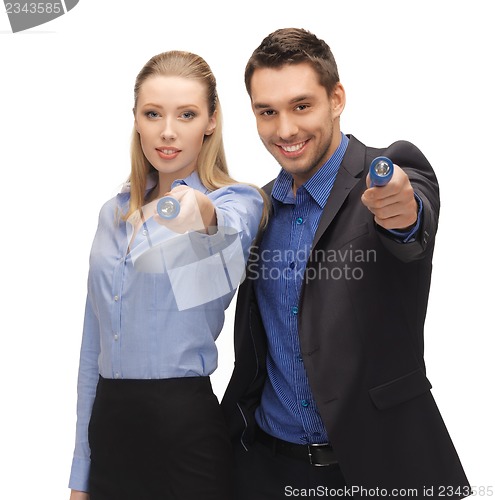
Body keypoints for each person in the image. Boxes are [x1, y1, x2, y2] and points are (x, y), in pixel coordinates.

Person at [221, 28, 471, 499]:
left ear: (336, 98)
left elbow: (411, 226)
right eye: (266, 112)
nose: (286, 130)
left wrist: (403, 211)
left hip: (381, 468)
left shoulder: (387, 173)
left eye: (301, 106)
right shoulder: (256, 209)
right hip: (267, 472)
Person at [68, 50, 267, 500]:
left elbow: (224, 233)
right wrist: (81, 472)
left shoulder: (239, 201)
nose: (168, 131)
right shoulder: (112, 214)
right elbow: (90, 350)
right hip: (109, 431)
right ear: (136, 119)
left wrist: (190, 207)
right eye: (153, 114)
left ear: (211, 121)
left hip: (184, 434)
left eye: (188, 114)